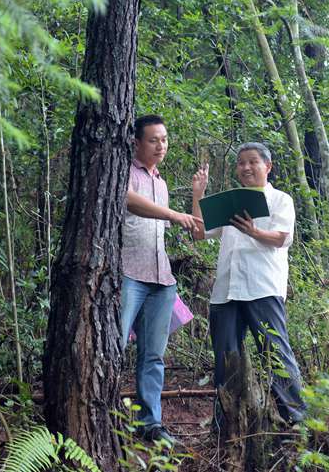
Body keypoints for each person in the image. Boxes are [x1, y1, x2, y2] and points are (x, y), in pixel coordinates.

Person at [190, 143, 306, 426]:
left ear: (268, 166)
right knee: (226, 359)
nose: (246, 167)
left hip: (262, 287)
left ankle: (296, 420)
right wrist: (198, 195)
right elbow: (199, 232)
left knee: (275, 352)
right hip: (226, 291)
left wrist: (254, 231)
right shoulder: (230, 202)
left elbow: (282, 238)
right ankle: (227, 426)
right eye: (241, 163)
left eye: (253, 162)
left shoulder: (280, 200)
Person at [121, 114, 201, 444]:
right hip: (128, 274)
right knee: (110, 348)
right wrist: (172, 214)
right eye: (153, 140)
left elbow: (194, 229)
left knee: (153, 356)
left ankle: (151, 424)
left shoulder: (162, 183)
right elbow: (128, 200)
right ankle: (105, 418)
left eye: (164, 139)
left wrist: (197, 194)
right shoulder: (124, 171)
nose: (161, 146)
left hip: (161, 279)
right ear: (137, 142)